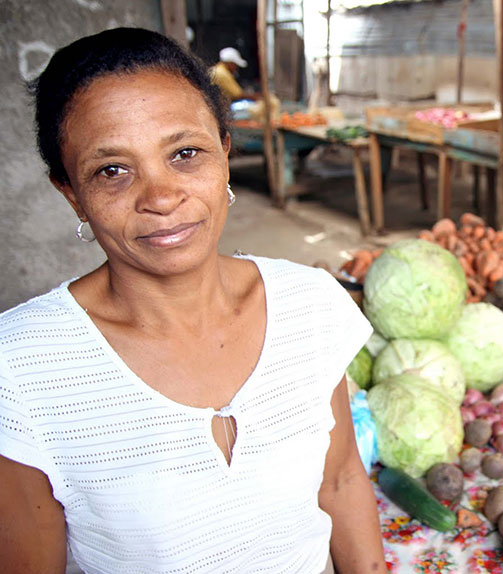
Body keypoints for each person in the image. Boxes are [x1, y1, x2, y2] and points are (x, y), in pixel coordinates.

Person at [0, 28, 387, 574]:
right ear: (71, 192)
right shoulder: (21, 370)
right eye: (112, 171)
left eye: (185, 153)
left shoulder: (311, 306)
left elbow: (342, 478)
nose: (161, 197)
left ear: (225, 153)